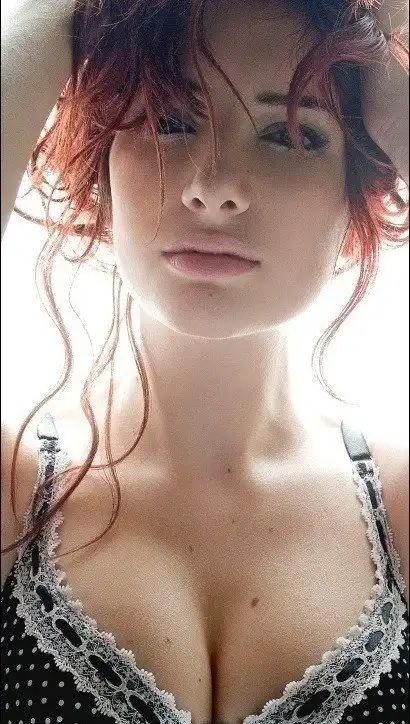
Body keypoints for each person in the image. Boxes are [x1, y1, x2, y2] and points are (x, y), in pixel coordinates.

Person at [1, 0, 409, 722]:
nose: (215, 187)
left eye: (290, 133)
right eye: (172, 121)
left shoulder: (398, 510)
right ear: (101, 164)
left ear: (358, 191)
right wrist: (51, 16)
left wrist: (392, 58)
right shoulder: (16, 488)